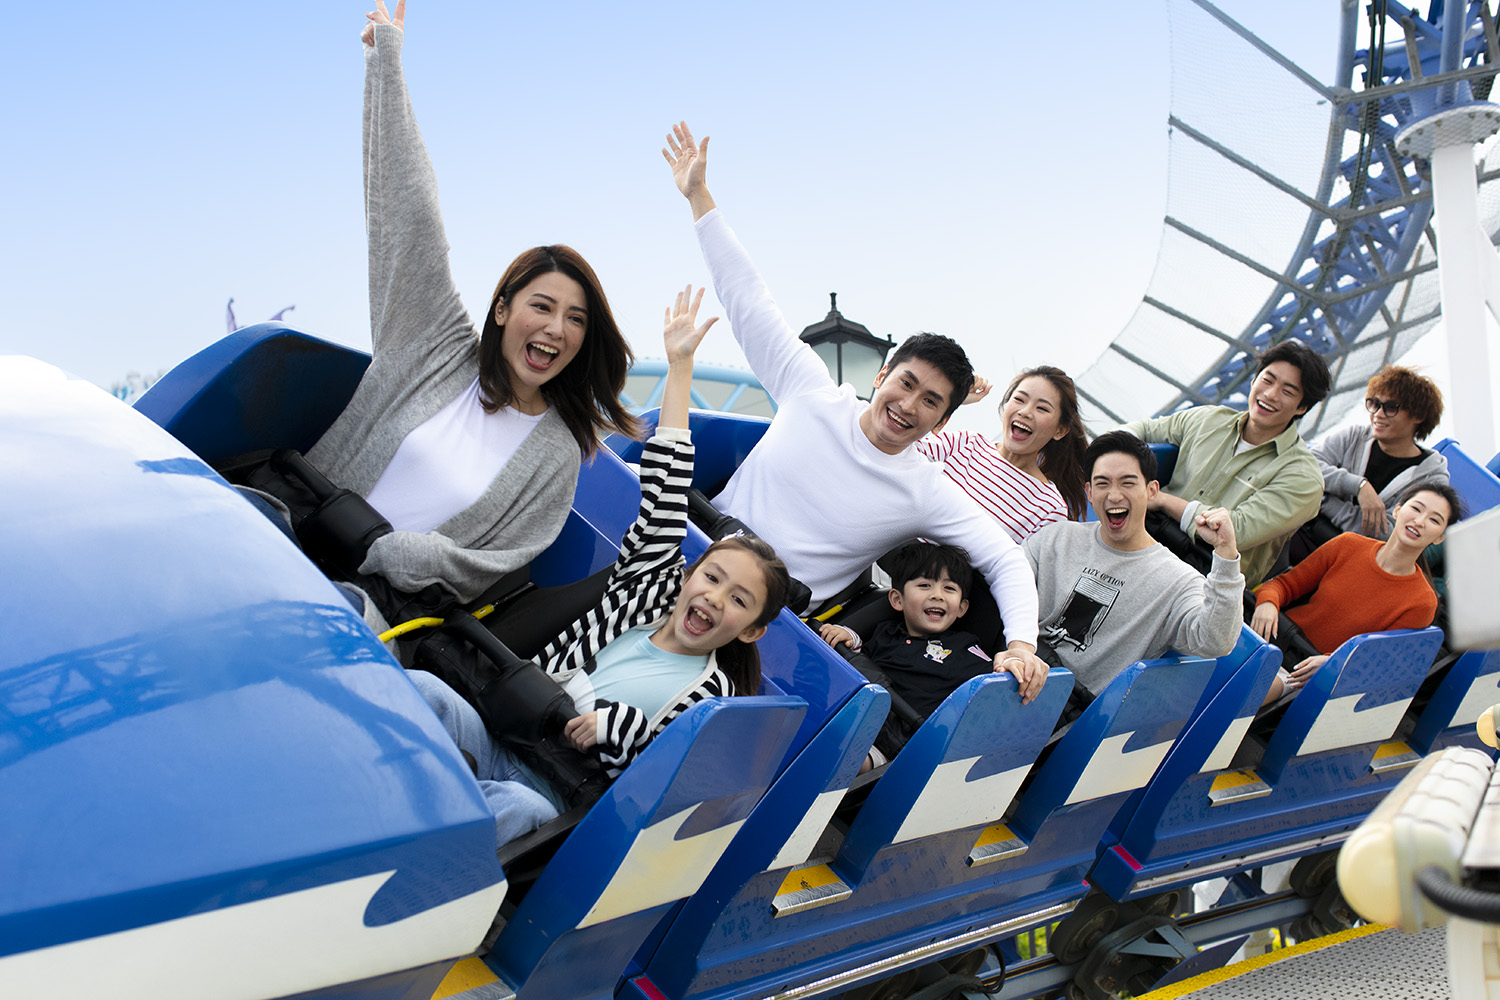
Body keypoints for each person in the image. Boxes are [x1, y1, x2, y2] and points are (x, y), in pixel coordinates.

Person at [663, 122, 1048, 703]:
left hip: (766, 626)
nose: (908, 406)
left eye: (930, 403)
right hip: (696, 560)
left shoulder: (923, 490)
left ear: (942, 423)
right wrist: (699, 197)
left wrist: (1021, 644)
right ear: (882, 374)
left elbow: (1004, 559)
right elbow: (747, 297)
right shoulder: (811, 390)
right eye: (906, 383)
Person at [410, 286, 792, 847]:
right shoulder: (643, 591)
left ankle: (416, 853)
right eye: (712, 577)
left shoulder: (707, 698)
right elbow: (666, 484)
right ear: (687, 575)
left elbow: (665, 773)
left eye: (739, 600)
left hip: (549, 789)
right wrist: (680, 366)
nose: (714, 598)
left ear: (754, 629)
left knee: (514, 807)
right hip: (502, 731)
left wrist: (622, 728)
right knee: (424, 691)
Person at [298, 1, 637, 618]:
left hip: (371, 605)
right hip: (295, 538)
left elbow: (487, 564)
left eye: (577, 319)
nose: (557, 329)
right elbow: (410, 219)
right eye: (543, 305)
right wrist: (386, 65)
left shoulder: (557, 456)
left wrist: (382, 550)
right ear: (503, 310)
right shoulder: (432, 343)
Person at [1023, 431, 1244, 697]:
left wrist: (1226, 557)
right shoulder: (1056, 537)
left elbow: (1215, 642)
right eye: (1103, 484)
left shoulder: (1178, 581)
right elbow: (1003, 588)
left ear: (1151, 491)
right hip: (1010, 668)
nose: (1114, 496)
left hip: (1068, 711)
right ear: (1089, 492)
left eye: (1127, 483)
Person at [1120, 341, 1330, 588]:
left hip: (1201, 579)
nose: (1271, 394)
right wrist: (1109, 450)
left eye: (1288, 391)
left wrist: (1164, 500)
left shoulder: (1303, 478)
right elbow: (1144, 429)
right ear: (1253, 380)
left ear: (1302, 407)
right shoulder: (1209, 419)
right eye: (1268, 380)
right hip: (1144, 539)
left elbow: (1235, 531)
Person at [1250, 483, 1462, 703]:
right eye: (1416, 509)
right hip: (1270, 639)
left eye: (1434, 520)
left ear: (1440, 538)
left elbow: (1376, 661)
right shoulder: (1348, 544)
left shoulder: (1423, 602)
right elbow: (1282, 585)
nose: (1419, 521)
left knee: (1248, 690)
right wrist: (1268, 603)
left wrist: (1334, 662)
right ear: (1397, 510)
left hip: (1301, 674)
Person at [818, 542, 994, 718]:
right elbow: (861, 664)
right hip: (861, 718)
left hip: (914, 736)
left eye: (949, 588)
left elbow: (996, 682)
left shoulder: (963, 646)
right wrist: (849, 638)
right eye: (925, 585)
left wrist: (1010, 666)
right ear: (897, 600)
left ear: (962, 608)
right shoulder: (885, 633)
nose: (937, 595)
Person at [917, 366, 1090, 542]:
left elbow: (1020, 566)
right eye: (1019, 399)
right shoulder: (965, 443)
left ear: (1060, 431)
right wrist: (952, 399)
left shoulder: (1049, 508)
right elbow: (895, 449)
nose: (1025, 412)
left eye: (1042, 408)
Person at [1306, 365, 1449, 545]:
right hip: (1306, 532)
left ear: (1418, 416)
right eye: (1374, 404)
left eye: (1391, 408)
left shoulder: (1431, 479)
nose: (1378, 415)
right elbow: (1305, 467)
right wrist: (1358, 486)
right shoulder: (1354, 437)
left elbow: (1386, 534)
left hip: (1356, 557)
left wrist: (1320, 500)